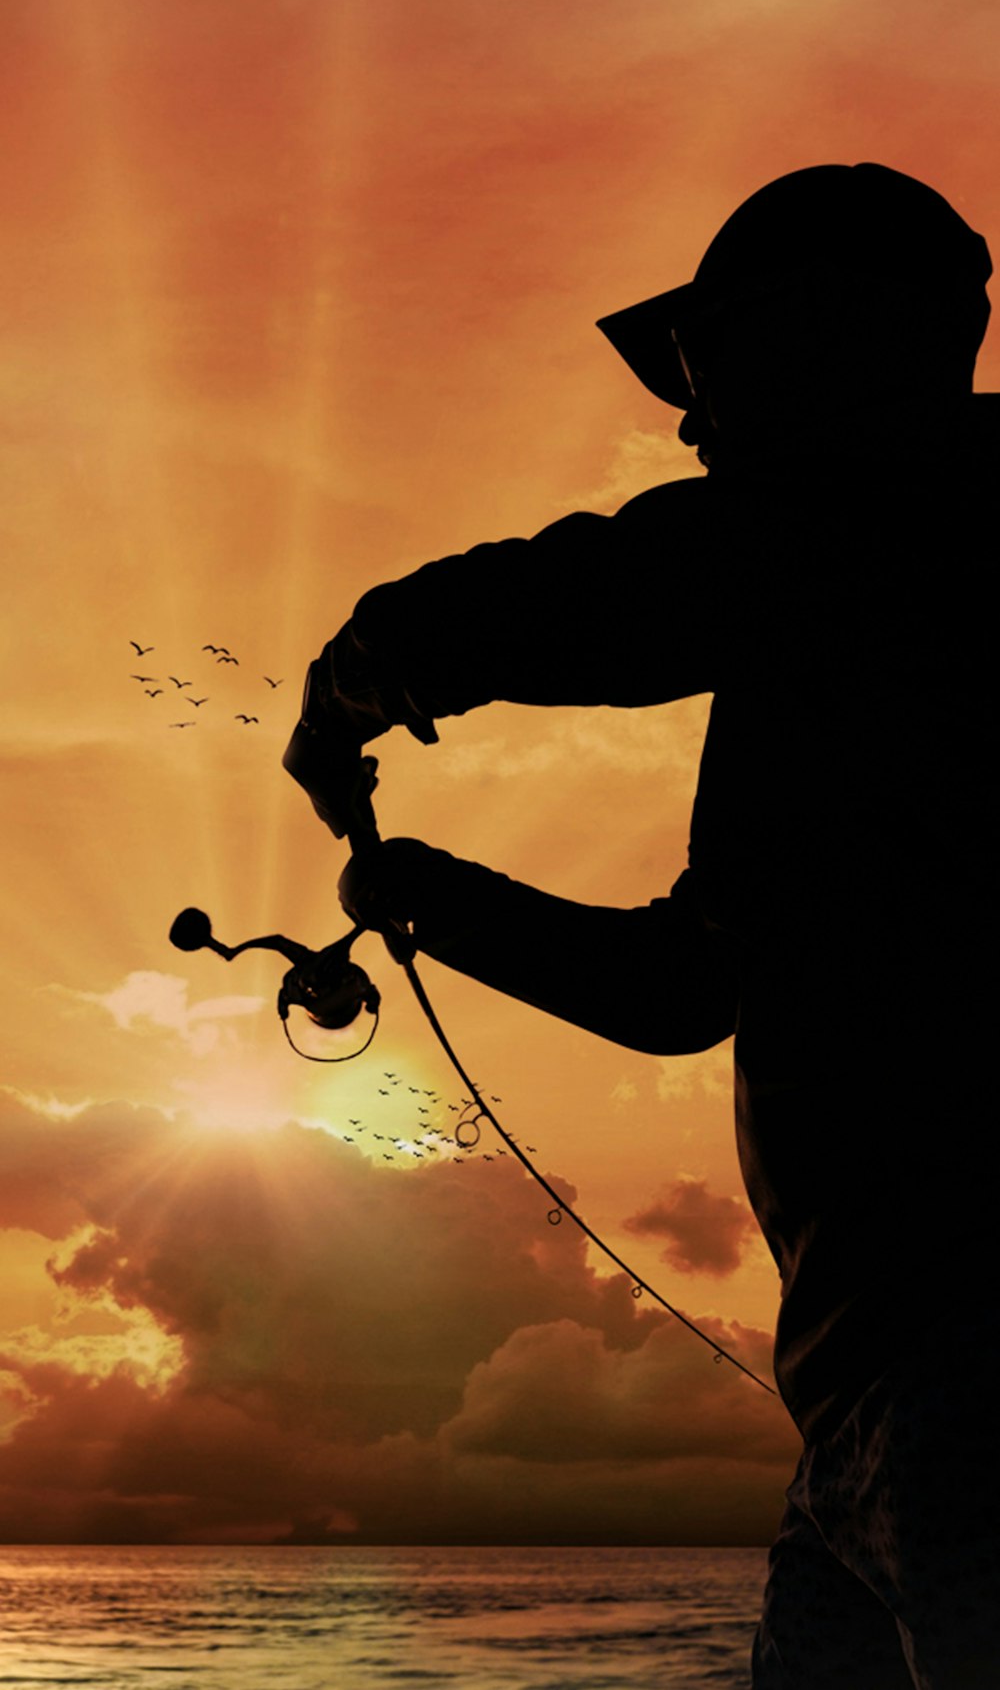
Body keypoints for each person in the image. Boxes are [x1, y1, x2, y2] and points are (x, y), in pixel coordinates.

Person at [285, 164, 999, 1688]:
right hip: (863, 1430)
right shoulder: (824, 646)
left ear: (825, 341)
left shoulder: (916, 528)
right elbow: (690, 985)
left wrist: (354, 674)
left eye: (701, 364)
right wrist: (428, 893)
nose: (687, 417)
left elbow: (616, 593)